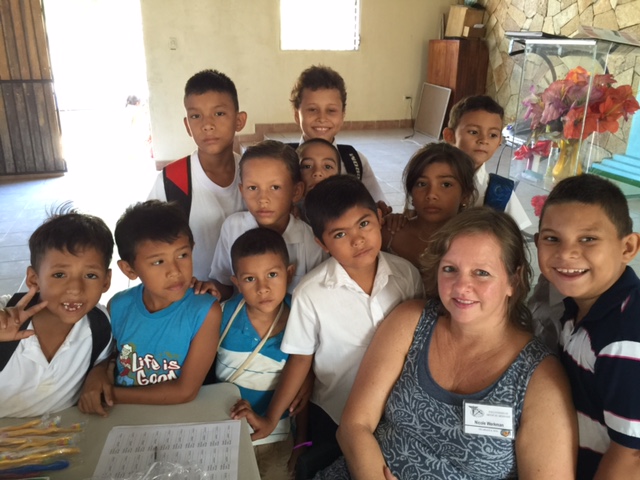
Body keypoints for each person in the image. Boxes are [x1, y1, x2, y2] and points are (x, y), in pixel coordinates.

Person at [316, 207, 577, 479]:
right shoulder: (411, 321)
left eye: (482, 273)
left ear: (513, 279)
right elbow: (353, 425)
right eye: (450, 269)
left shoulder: (539, 377)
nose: (461, 286)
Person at [233, 175, 423, 478]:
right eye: (339, 234)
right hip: (335, 412)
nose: (357, 240)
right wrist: (271, 418)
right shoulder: (311, 292)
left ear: (379, 218)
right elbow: (301, 357)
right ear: (321, 242)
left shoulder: (406, 275)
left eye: (364, 224)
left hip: (398, 410)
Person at [535, 174, 640, 479]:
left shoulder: (625, 337)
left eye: (588, 239)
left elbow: (632, 456)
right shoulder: (577, 307)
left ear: (628, 247)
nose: (567, 253)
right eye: (552, 238)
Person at [78, 200, 221, 414]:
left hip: (175, 417)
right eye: (158, 262)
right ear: (129, 269)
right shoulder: (118, 306)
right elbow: (109, 356)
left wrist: (108, 393)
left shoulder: (205, 311)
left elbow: (185, 391)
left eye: (182, 255)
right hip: (121, 417)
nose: (174, 271)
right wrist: (97, 373)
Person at [0, 208, 114, 417]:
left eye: (90, 275)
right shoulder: (5, 316)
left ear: (106, 281)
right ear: (34, 279)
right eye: (59, 274)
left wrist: (98, 373)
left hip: (59, 441)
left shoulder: (100, 325)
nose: (75, 289)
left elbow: (103, 358)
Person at [148, 69, 247, 280]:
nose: (207, 125)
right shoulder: (172, 181)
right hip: (194, 300)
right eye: (195, 116)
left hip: (250, 298)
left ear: (239, 120)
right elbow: (149, 243)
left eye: (219, 113)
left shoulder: (254, 174)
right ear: (187, 125)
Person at [216, 228, 297, 480]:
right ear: (236, 282)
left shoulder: (301, 316)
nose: (263, 288)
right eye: (250, 279)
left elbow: (303, 389)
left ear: (289, 273)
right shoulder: (221, 315)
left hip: (278, 436)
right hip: (225, 434)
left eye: (272, 275)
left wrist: (302, 441)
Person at [209, 140, 326, 300]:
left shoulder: (311, 241)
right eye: (252, 188)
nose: (263, 199)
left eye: (275, 187)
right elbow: (224, 282)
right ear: (242, 191)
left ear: (296, 191)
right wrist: (212, 290)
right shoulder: (232, 227)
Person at [289, 65, 388, 211]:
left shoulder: (354, 162)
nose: (322, 118)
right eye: (312, 110)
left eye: (331, 111)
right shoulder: (284, 161)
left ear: (342, 116)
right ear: (297, 115)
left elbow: (376, 206)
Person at [381, 142, 476, 270]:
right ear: (411, 194)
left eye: (446, 185)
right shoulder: (390, 234)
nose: (431, 195)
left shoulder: (474, 243)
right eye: (421, 184)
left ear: (465, 195)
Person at [443, 95, 531, 230]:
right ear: (450, 136)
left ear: (499, 142)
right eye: (473, 132)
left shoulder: (501, 192)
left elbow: (513, 242)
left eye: (493, 135)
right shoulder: (428, 179)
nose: (484, 140)